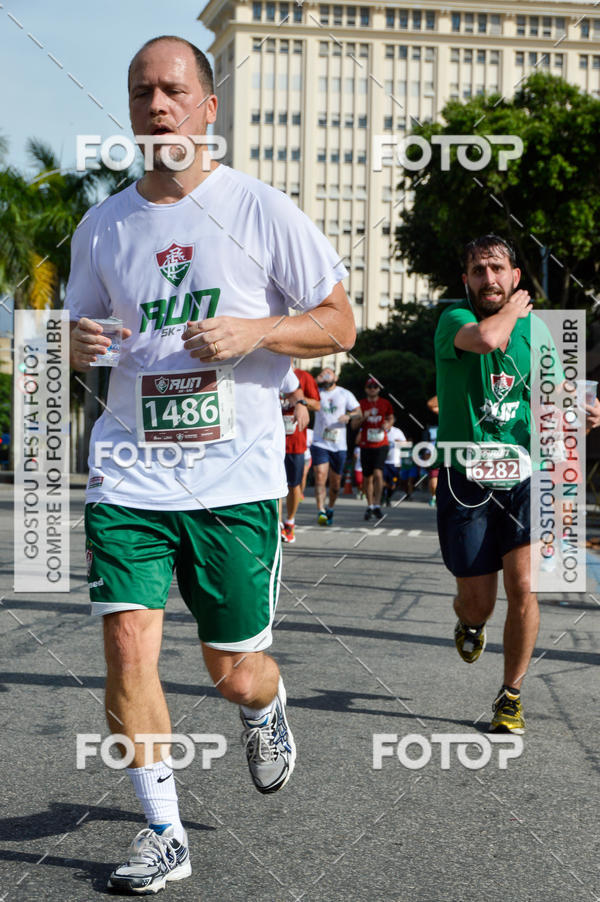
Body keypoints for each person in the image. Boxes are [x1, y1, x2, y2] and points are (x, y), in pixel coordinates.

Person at [66, 35, 355, 894]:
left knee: (230, 669)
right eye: (142, 92)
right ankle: (164, 833)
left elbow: (341, 323)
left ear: (208, 106)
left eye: (173, 90)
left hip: (235, 479)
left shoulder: (261, 209)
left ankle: (264, 705)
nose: (158, 105)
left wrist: (257, 331)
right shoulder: (104, 224)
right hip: (131, 471)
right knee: (127, 642)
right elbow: (84, 344)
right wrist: (80, 344)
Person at [434, 234, 600, 735]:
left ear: (514, 277)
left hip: (526, 476)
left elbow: (556, 391)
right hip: (466, 477)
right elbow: (487, 340)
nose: (489, 279)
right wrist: (518, 311)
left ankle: (510, 696)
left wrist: (581, 415)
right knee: (479, 601)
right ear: (466, 280)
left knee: (525, 585)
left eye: (497, 269)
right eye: (479, 270)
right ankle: (469, 622)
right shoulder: (454, 321)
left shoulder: (538, 332)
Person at [311, 367, 361, 525]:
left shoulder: (344, 393)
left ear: (336, 377)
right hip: (320, 441)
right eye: (322, 373)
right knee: (320, 475)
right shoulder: (316, 392)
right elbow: (304, 392)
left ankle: (330, 507)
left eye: (329, 373)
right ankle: (321, 511)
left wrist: (349, 415)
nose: (325, 375)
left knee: (335, 483)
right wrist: (317, 380)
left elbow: (359, 412)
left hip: (339, 445)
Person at [280, 367, 320, 543]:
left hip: (295, 441)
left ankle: (290, 522)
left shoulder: (303, 377)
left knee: (293, 484)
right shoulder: (267, 370)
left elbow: (317, 404)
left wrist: (299, 401)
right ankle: (276, 524)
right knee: (272, 485)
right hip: (271, 440)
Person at [355, 377, 394, 520]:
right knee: (367, 477)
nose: (373, 389)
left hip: (381, 444)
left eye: (375, 386)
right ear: (366, 389)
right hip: (366, 444)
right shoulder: (360, 404)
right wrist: (363, 418)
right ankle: (370, 505)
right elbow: (353, 426)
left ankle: (377, 504)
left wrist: (388, 425)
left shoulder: (385, 403)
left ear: (379, 389)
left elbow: (391, 418)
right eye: (370, 386)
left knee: (378, 473)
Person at [382, 424, 407, 506]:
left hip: (394, 462)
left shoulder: (397, 431)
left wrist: (399, 442)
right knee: (381, 481)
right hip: (383, 461)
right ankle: (382, 497)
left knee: (394, 483)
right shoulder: (380, 430)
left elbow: (406, 444)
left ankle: (388, 497)